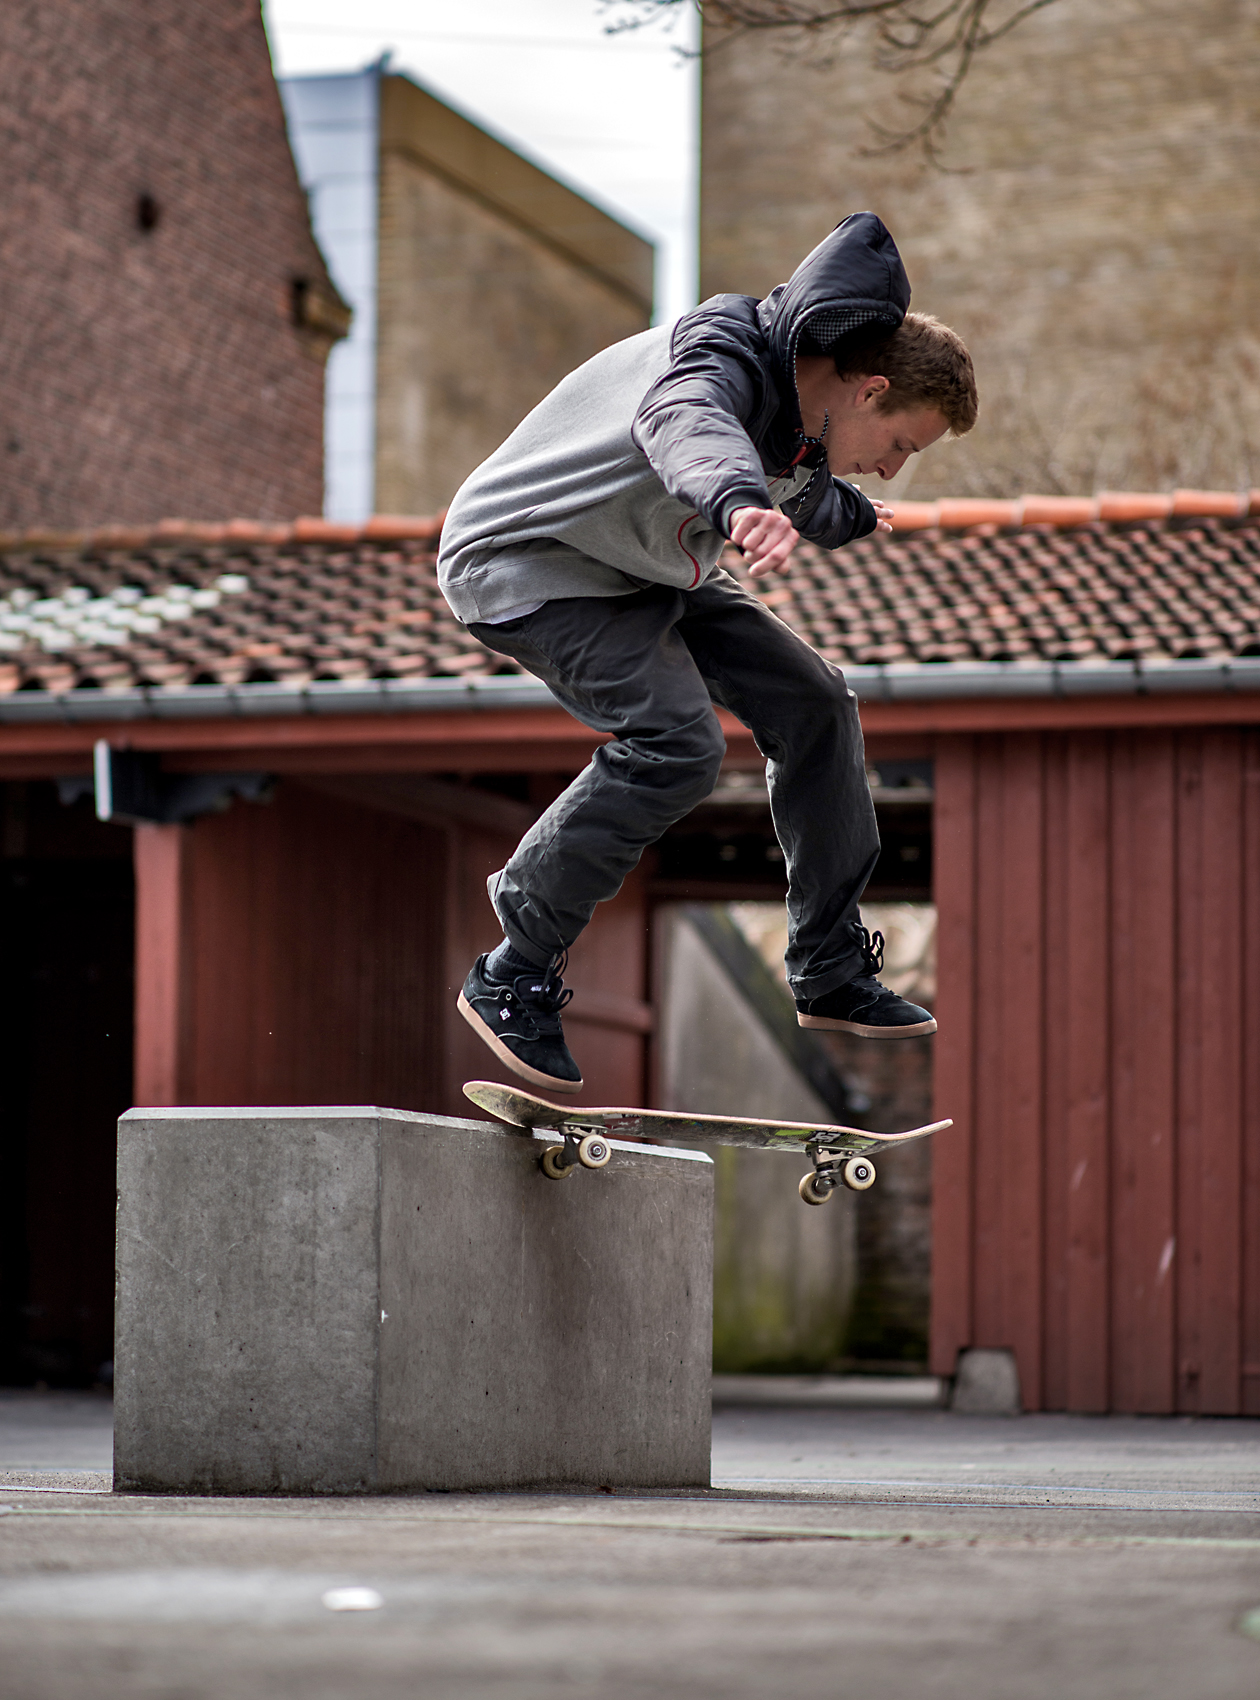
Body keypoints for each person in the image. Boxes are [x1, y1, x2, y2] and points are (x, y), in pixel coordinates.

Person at [437, 212, 977, 1095]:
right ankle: (512, 970)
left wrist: (846, 516)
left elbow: (806, 486)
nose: (890, 467)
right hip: (526, 558)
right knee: (677, 742)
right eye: (901, 447)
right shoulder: (718, 355)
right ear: (870, 390)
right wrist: (735, 504)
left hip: (637, 562)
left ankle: (828, 965)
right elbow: (690, 427)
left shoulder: (810, 417)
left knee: (816, 702)